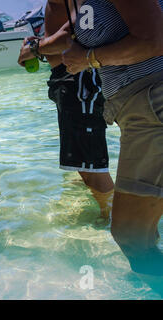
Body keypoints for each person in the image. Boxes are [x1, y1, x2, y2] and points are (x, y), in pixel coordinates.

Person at [62, 0, 163, 276]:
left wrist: (88, 59)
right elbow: (65, 34)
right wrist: (36, 48)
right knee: (144, 232)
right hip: (141, 107)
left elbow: (155, 40)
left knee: (131, 236)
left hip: (153, 101)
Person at [17, 0, 115, 221]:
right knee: (85, 164)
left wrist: (35, 49)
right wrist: (41, 47)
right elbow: (73, 29)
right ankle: (119, 218)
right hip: (70, 76)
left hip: (79, 76)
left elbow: (80, 32)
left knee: (91, 167)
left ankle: (120, 221)